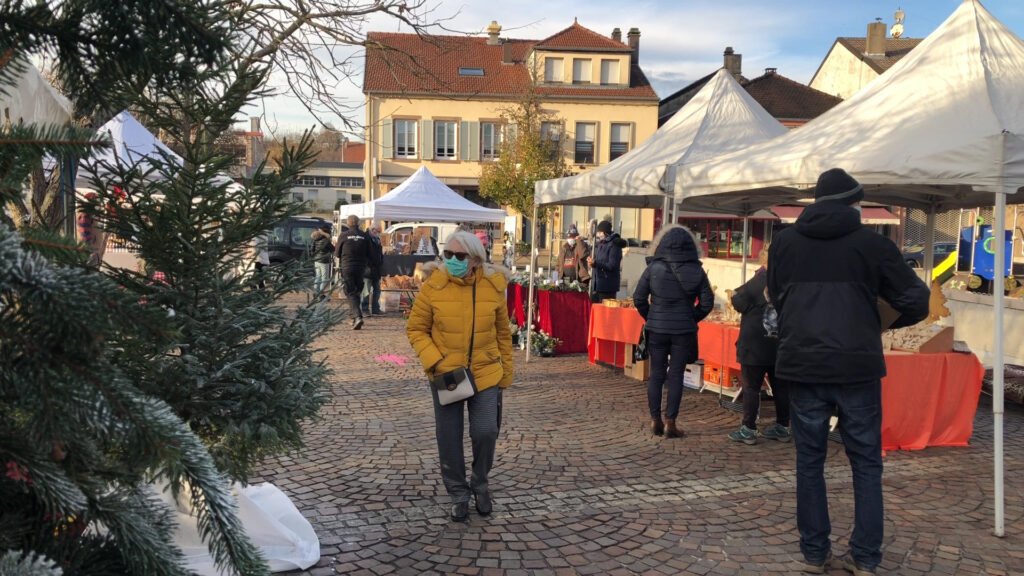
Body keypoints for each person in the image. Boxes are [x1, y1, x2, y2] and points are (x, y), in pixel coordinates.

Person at [767, 168, 929, 575]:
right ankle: (866, 558)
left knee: (810, 463)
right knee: (866, 463)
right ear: (854, 204)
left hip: (803, 365)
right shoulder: (872, 246)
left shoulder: (784, 243)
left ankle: (815, 552)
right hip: (856, 366)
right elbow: (917, 300)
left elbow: (778, 298)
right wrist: (878, 323)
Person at [406, 231, 514, 522]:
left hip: (486, 370)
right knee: (449, 438)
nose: (452, 260)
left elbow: (503, 332)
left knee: (486, 431)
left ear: (476, 258)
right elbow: (416, 329)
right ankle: (458, 493)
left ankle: (480, 483)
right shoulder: (434, 286)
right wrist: (435, 361)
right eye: (448, 255)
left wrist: (506, 371)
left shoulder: (493, 286)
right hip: (448, 373)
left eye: (459, 256)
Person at [632, 225, 713, 438]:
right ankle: (671, 422)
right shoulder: (697, 270)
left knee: (656, 374)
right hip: (683, 330)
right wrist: (690, 317)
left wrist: (651, 316)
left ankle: (654, 419)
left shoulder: (653, 268)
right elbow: (707, 303)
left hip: (657, 328)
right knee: (676, 374)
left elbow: (639, 298)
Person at [727, 244, 789, 445]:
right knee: (780, 387)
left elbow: (738, 302)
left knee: (752, 387)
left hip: (755, 343)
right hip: (780, 343)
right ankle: (782, 426)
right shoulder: (788, 282)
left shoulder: (758, 281)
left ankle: (749, 429)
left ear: (764, 260)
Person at [334, 214, 371, 330]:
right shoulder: (365, 236)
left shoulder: (344, 235)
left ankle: (357, 316)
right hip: (361, 267)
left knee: (350, 292)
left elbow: (337, 254)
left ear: (348, 223)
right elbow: (370, 252)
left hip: (347, 266)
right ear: (359, 223)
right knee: (356, 291)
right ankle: (354, 317)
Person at [587, 220, 627, 302]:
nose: (598, 235)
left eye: (600, 232)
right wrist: (592, 263)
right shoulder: (601, 244)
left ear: (605, 232)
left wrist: (596, 263)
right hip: (598, 285)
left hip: (608, 286)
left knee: (605, 312)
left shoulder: (614, 245)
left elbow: (611, 265)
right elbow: (598, 262)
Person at [362, 225, 384, 314]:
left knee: (377, 290)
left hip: (376, 269)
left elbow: (379, 254)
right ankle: (365, 309)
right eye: (376, 231)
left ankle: (376, 309)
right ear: (371, 229)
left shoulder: (377, 239)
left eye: (379, 232)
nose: (377, 233)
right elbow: (364, 254)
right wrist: (368, 265)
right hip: (368, 268)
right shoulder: (365, 239)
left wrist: (380, 262)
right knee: (366, 291)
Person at [310, 224, 334, 299]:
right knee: (324, 278)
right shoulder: (326, 240)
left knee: (318, 277)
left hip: (316, 260)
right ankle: (321, 294)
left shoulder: (315, 239)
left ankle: (315, 292)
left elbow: (312, 250)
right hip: (324, 260)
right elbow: (333, 249)